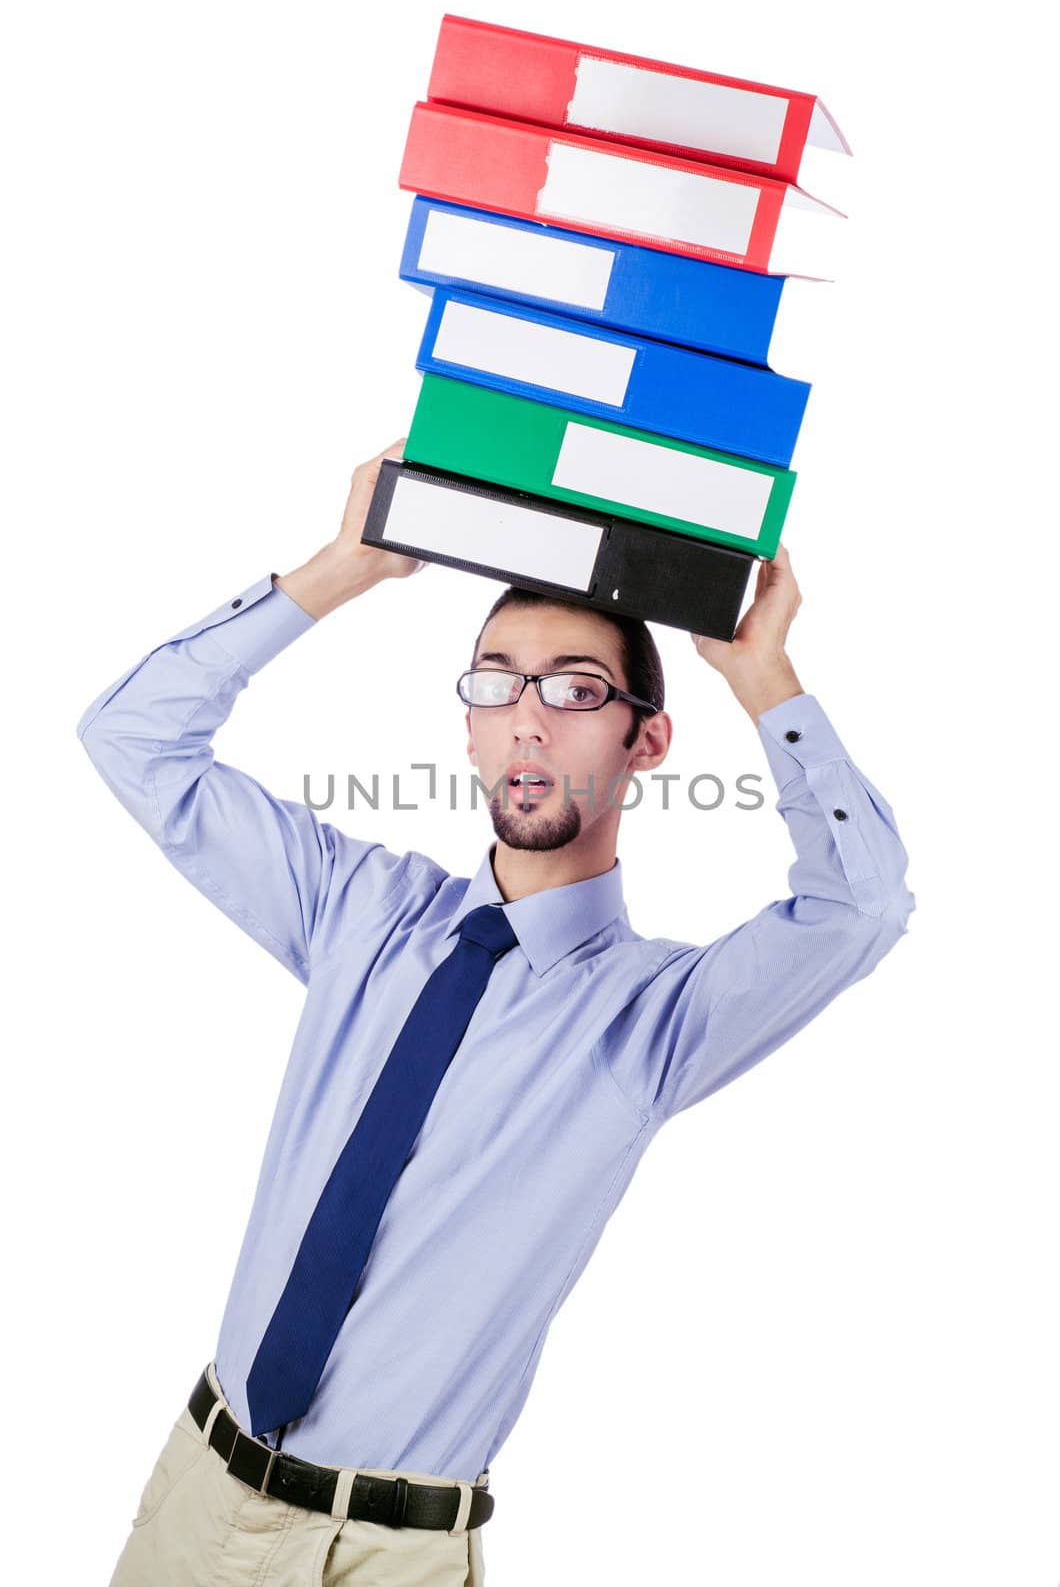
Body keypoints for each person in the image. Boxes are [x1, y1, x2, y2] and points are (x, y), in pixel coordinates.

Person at [76, 436, 916, 1586]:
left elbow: (859, 907)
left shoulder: (650, 1023)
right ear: (466, 729)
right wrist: (343, 566)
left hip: (384, 1555)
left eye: (575, 689)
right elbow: (133, 739)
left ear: (647, 740)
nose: (528, 717)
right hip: (195, 1495)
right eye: (495, 681)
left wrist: (760, 675)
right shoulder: (356, 912)